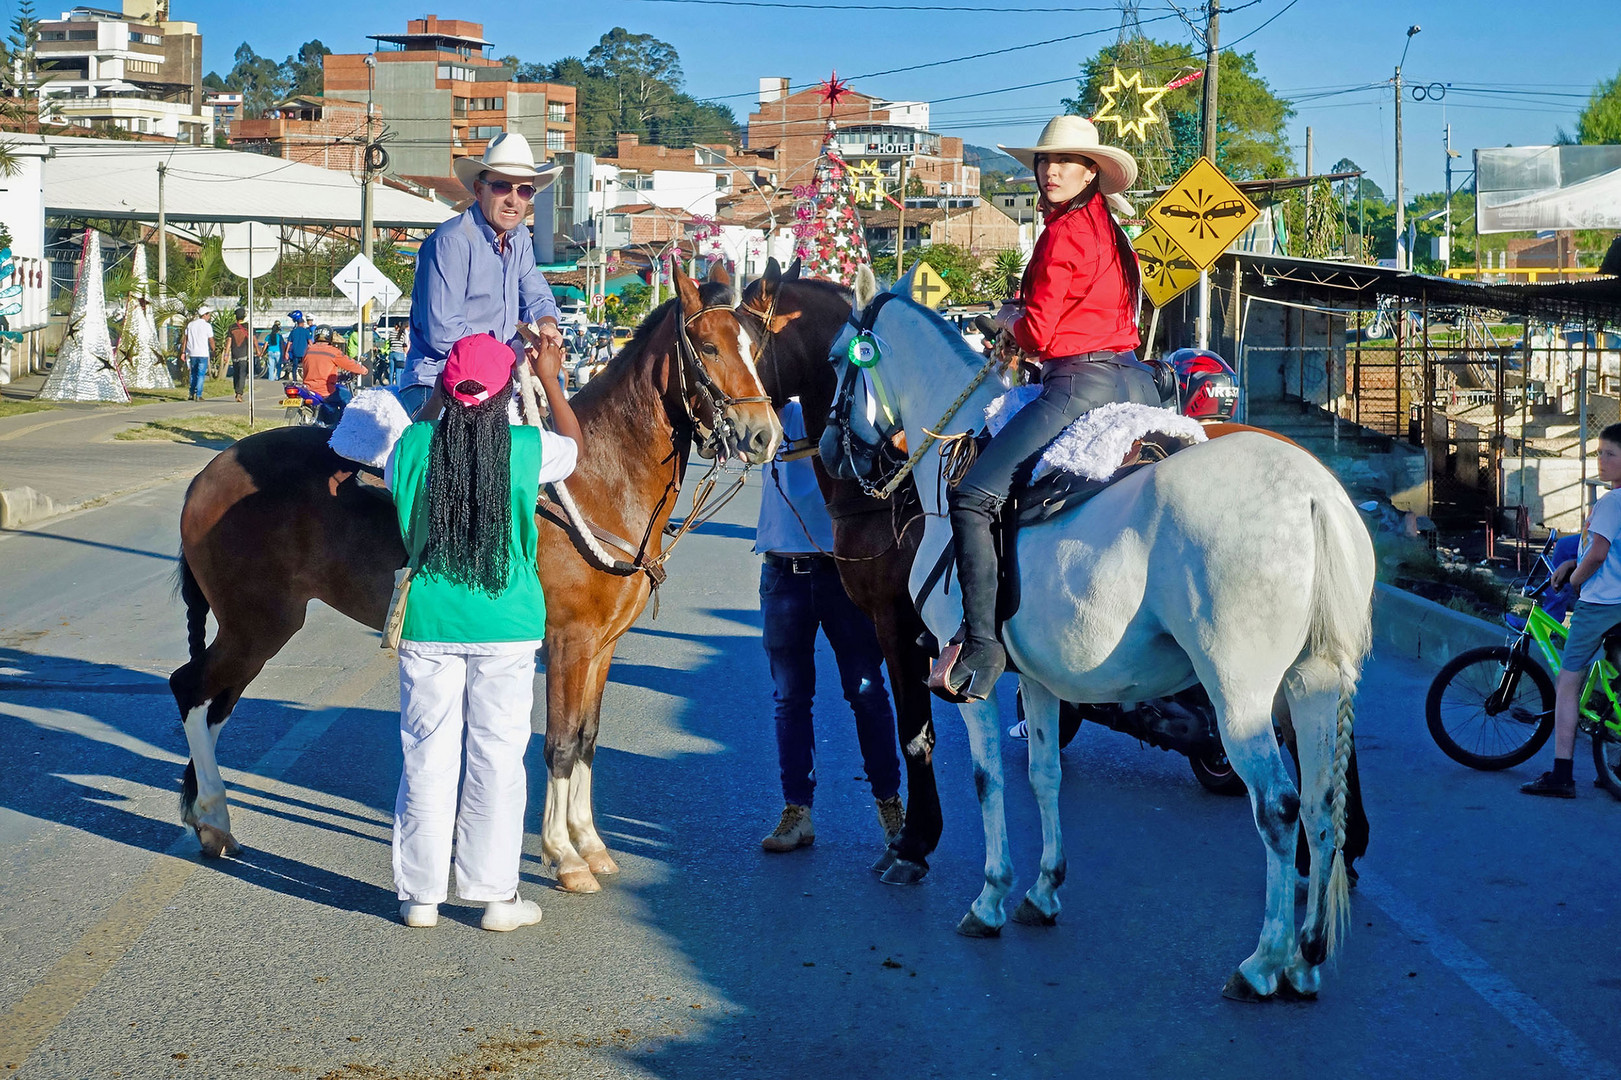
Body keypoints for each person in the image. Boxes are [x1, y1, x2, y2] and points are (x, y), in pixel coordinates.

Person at [933, 116, 1154, 702]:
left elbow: (1035, 333)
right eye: (1044, 161)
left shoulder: (1062, 233)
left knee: (973, 495)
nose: (1052, 170)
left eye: (1067, 161)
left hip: (1079, 384)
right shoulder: (1108, 229)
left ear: (1091, 172)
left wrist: (1002, 318)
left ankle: (981, 645)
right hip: (1137, 382)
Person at [386, 332, 583, 930]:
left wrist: (438, 399)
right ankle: (496, 897)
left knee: (426, 754)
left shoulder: (412, 446)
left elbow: (421, 429)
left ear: (447, 389)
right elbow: (576, 446)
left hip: (429, 622)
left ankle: (421, 897)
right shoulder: (527, 448)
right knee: (497, 757)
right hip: (507, 622)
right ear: (504, 397)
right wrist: (548, 377)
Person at [756, 400, 905, 853]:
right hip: (783, 568)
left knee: (866, 691)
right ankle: (797, 811)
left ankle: (890, 805)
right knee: (790, 698)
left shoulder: (848, 396)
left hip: (843, 570)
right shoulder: (768, 398)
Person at [402, 132, 566, 419]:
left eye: (525, 190)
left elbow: (534, 290)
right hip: (438, 383)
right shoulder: (451, 242)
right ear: (479, 190)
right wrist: (508, 358)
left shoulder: (520, 238)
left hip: (494, 381)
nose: (514, 200)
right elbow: (444, 332)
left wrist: (548, 326)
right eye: (502, 187)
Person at [1523, 424, 1621, 798]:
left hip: (1600, 604)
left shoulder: (1611, 502)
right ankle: (1614, 766)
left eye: (1610, 454)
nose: (1601, 460)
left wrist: (1575, 581)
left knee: (1568, 682)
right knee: (1615, 681)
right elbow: (1600, 550)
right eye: (1598, 453)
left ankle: (1562, 773)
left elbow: (1597, 555)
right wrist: (1569, 565)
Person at [302, 326, 368, 404]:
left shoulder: (308, 350)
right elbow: (350, 364)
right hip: (324, 390)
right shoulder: (333, 352)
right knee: (346, 396)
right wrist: (364, 370)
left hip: (307, 389)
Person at [182, 305, 214, 401]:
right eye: (208, 314)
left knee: (193, 374)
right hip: (203, 353)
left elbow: (186, 339)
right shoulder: (207, 326)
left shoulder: (191, 325)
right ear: (204, 315)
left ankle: (191, 393)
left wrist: (183, 352)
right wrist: (213, 349)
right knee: (200, 374)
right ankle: (199, 394)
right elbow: (211, 340)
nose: (209, 317)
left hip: (192, 353)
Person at [227, 307, 256, 402]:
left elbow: (229, 341)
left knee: (236, 374)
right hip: (245, 354)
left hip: (235, 354)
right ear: (244, 316)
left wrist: (226, 354)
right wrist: (258, 350)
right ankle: (239, 394)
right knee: (242, 374)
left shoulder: (231, 327)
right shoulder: (248, 327)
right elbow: (254, 339)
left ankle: (237, 392)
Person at [286, 311, 311, 383]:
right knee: (304, 367)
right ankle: (305, 379)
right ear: (302, 323)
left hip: (295, 352)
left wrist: (286, 352)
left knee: (295, 366)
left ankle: (294, 379)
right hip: (304, 352)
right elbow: (310, 341)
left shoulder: (293, 331)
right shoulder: (306, 331)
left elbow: (289, 342)